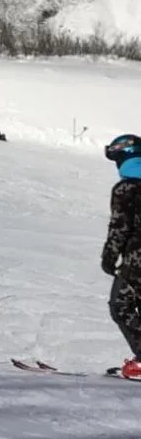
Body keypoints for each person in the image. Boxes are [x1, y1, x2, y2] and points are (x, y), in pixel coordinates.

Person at [102, 134, 141, 379]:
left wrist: (109, 256)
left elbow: (120, 227)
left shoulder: (127, 188)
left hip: (138, 258)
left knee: (121, 305)